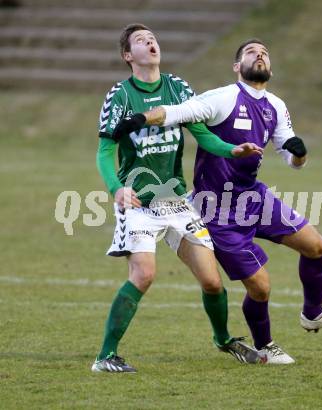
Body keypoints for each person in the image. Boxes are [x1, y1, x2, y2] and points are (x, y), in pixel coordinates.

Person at [116, 38, 322, 365]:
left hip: (254, 196)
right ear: (236, 66)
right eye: (250, 52)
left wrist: (299, 155)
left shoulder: (275, 105)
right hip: (216, 210)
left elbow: (291, 156)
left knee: (316, 246)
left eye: (264, 53)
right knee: (260, 287)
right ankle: (266, 346)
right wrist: (142, 118)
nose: (259, 55)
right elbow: (179, 112)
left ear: (270, 67)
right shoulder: (223, 98)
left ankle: (313, 313)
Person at [91, 25, 264, 373]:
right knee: (144, 275)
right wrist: (117, 189)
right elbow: (104, 150)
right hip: (138, 201)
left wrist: (232, 149)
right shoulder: (120, 96)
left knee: (212, 281)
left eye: (152, 37)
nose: (151, 42)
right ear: (128, 56)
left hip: (176, 201)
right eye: (140, 40)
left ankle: (224, 339)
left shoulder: (177, 87)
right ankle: (105, 357)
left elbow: (202, 134)